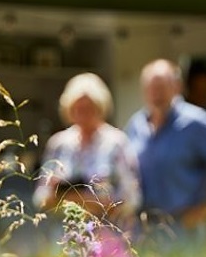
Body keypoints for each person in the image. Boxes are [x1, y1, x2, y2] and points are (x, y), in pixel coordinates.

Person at [125, 59, 206, 241]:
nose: (155, 93)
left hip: (183, 230)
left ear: (177, 87)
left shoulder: (195, 122)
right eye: (151, 87)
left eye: (161, 87)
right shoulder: (136, 124)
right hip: (144, 229)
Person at [34, 73, 140, 222]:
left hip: (107, 231)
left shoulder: (116, 142)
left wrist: (87, 200)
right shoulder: (58, 144)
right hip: (64, 232)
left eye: (89, 108)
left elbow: (132, 198)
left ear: (100, 108)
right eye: (78, 109)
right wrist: (59, 191)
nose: (83, 114)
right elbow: (40, 197)